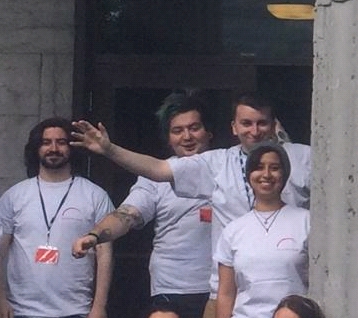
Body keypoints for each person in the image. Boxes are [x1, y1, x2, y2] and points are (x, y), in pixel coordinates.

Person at [73, 91, 216, 318]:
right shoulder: (155, 178)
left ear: (209, 132)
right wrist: (95, 235)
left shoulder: (231, 168)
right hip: (172, 288)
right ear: (168, 139)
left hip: (222, 290)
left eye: (194, 128)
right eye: (178, 130)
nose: (187, 136)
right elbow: (126, 214)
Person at [71, 92, 313, 222]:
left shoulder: (305, 157)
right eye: (246, 123)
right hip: (230, 284)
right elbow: (159, 169)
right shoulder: (217, 162)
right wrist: (109, 149)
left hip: (290, 278)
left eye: (262, 123)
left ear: (273, 125)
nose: (255, 130)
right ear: (233, 127)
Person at [0, 117, 114, 318]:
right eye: (46, 142)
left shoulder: (93, 195)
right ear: (36, 148)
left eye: (61, 142)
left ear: (72, 147)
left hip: (74, 316)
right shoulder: (15, 196)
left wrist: (98, 306)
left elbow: (105, 254)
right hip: (21, 316)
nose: (54, 148)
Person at [209, 142, 310, 318]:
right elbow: (225, 293)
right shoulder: (234, 230)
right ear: (249, 175)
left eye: (274, 168)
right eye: (259, 168)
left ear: (284, 176)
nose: (266, 175)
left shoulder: (306, 221)